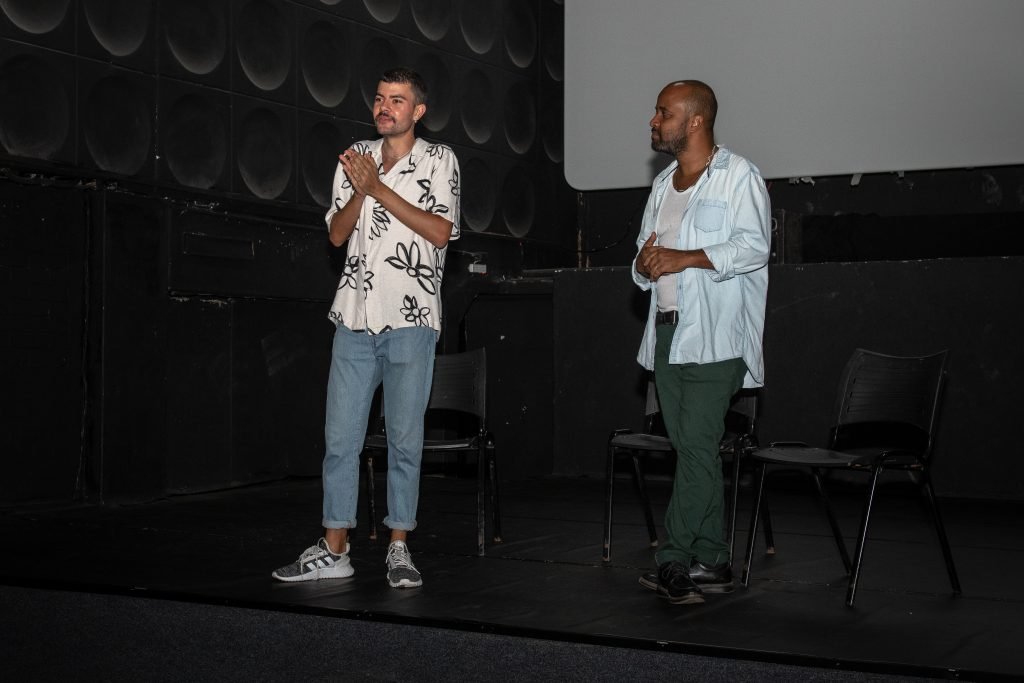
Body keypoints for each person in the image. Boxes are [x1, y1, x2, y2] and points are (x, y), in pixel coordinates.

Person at [273, 67, 460, 588]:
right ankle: (334, 547)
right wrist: (362, 190)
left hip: (411, 318)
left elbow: (440, 231)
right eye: (379, 98)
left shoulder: (440, 159)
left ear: (417, 111)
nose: (385, 107)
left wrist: (378, 188)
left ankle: (399, 546)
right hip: (353, 317)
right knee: (340, 439)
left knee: (404, 440)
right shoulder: (356, 156)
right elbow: (336, 235)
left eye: (397, 100)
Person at [631, 80, 770, 605]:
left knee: (694, 447)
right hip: (667, 333)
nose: (653, 121)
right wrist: (645, 264)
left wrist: (684, 258)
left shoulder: (739, 176)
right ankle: (712, 558)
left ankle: (673, 558)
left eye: (663, 112)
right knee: (694, 450)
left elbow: (754, 247)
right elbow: (644, 261)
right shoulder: (662, 184)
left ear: (694, 121)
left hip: (716, 338)